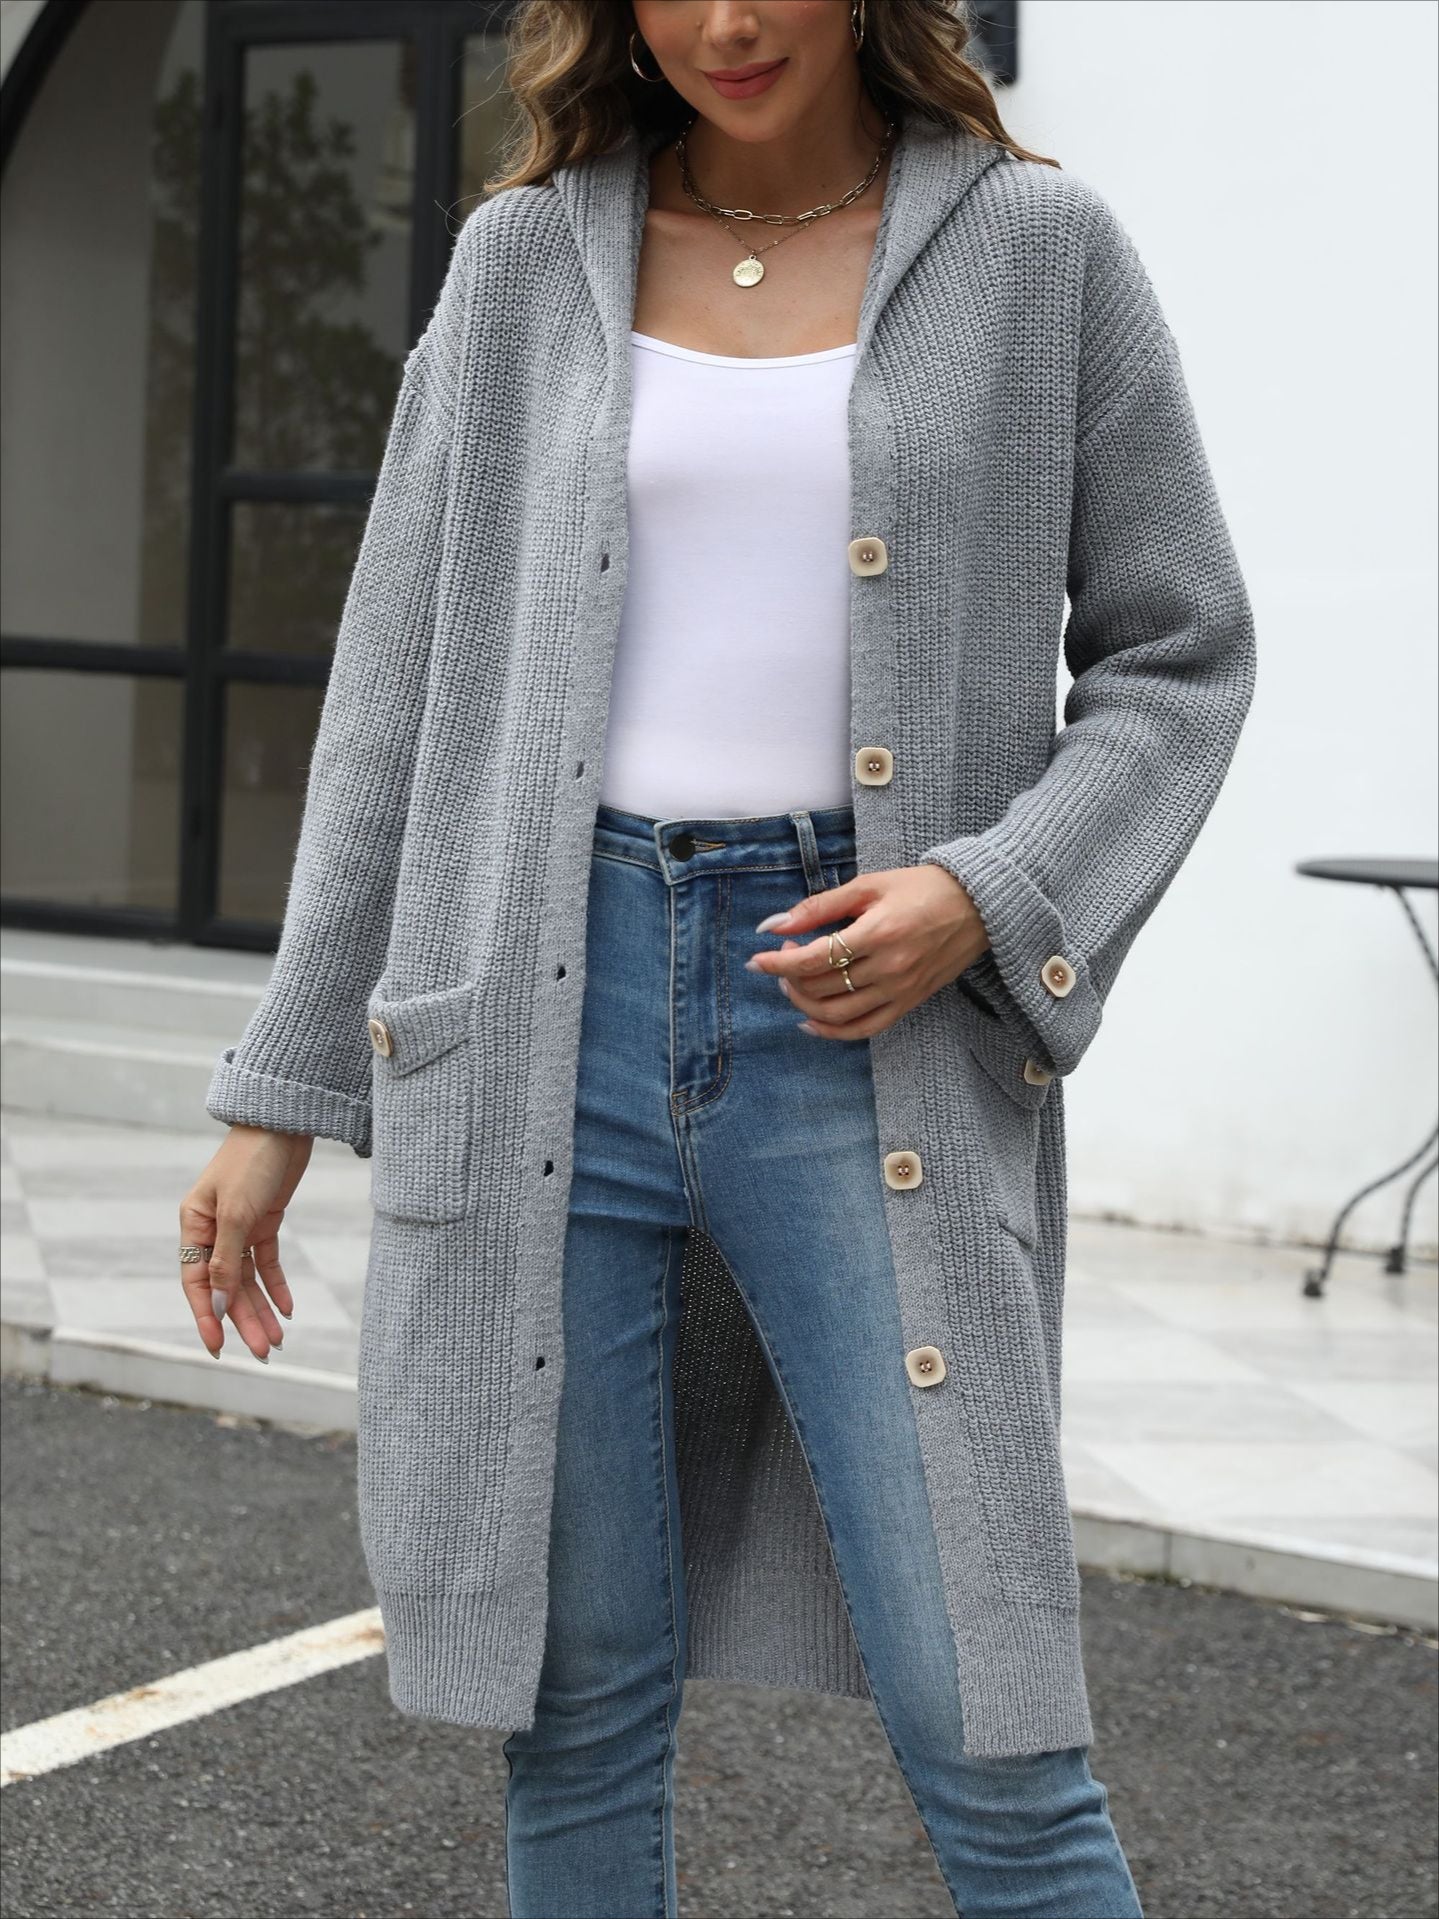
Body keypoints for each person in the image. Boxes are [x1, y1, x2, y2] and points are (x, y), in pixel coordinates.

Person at [180, 2, 1256, 1914]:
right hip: (543, 1010)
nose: (731, 22)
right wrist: (282, 1090)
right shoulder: (524, 262)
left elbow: (1181, 659)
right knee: (575, 1708)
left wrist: (987, 892)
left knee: (993, 1720)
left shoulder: (1036, 251)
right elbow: (393, 694)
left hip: (866, 1026)